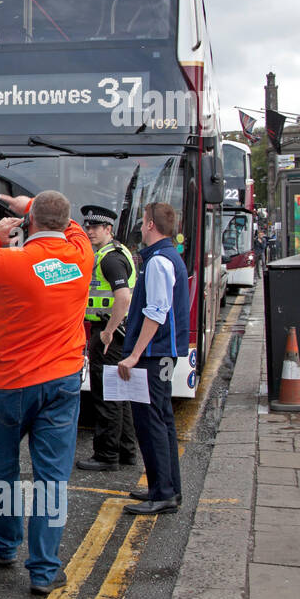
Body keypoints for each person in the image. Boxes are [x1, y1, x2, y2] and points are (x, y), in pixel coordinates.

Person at [0, 191, 93, 594]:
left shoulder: (8, 261)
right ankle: (45, 570)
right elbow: (74, 228)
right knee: (51, 479)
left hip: (9, 384)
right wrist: (32, 205)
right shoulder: (82, 257)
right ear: (64, 225)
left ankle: (5, 545)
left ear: (28, 225)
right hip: (62, 383)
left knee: (4, 471)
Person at [117, 202, 190, 515]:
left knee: (151, 424)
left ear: (149, 225)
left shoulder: (159, 261)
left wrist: (134, 354)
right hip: (160, 353)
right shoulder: (164, 257)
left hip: (152, 353)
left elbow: (156, 312)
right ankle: (168, 488)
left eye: (143, 221)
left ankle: (162, 493)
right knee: (162, 422)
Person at [76, 205, 139, 471]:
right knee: (119, 394)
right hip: (115, 334)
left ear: (108, 229)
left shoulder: (109, 258)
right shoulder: (115, 252)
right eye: (87, 227)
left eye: (95, 228)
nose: (89, 231)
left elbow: (123, 297)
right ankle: (126, 450)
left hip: (109, 335)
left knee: (106, 397)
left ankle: (106, 455)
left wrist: (109, 330)